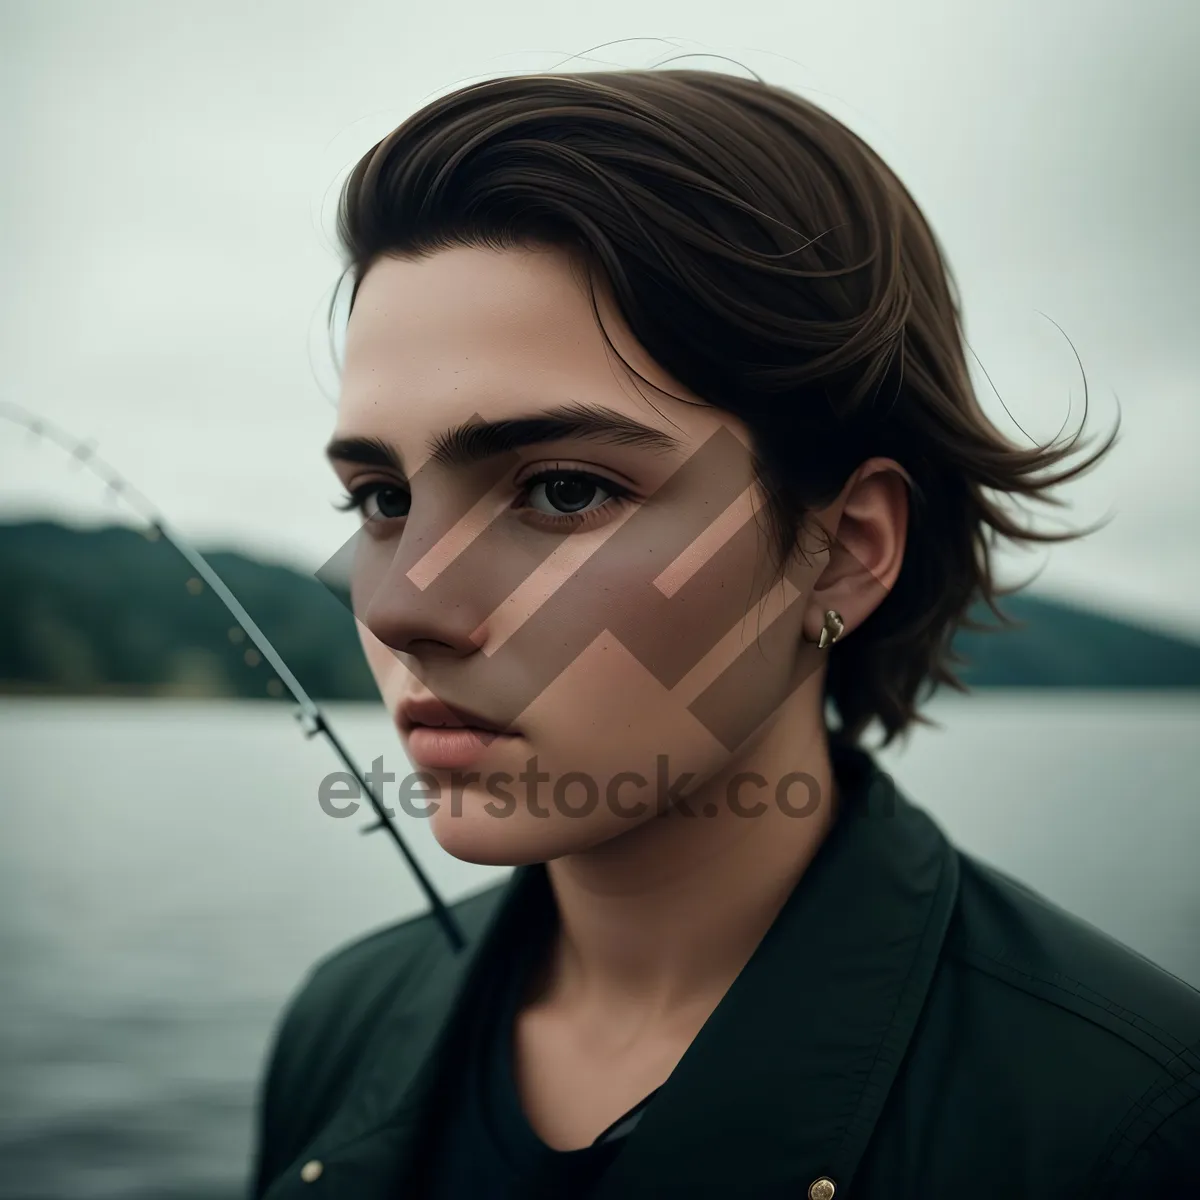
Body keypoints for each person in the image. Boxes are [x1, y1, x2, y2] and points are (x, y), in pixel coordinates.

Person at [249, 69, 1200, 1198]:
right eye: (383, 499)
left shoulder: (1130, 1127)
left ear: (845, 547)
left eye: (560, 491)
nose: (402, 604)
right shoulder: (338, 1024)